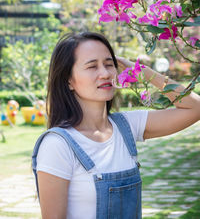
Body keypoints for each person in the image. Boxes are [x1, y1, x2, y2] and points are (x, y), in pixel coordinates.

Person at [32, 32, 200, 219]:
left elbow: (195, 108)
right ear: (68, 80)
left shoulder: (127, 126)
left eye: (109, 64)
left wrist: (142, 72)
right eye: (92, 66)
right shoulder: (58, 145)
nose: (104, 73)